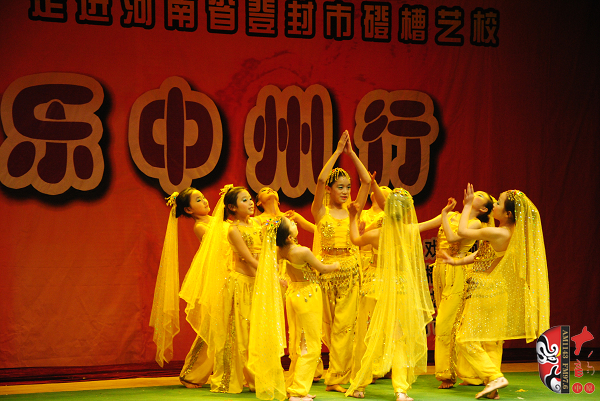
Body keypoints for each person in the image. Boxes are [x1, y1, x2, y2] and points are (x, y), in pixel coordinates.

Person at [439, 184, 550, 399]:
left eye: (498, 203)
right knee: (489, 339)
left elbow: (462, 232)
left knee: (464, 339)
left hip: (485, 290)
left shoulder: (498, 232)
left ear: (508, 214)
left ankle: (494, 376)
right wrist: (456, 261)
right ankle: (493, 386)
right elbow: (485, 254)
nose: (495, 206)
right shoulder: (511, 233)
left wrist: (468, 205)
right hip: (497, 291)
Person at [346, 188, 435, 401]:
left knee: (375, 337)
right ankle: (400, 390)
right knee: (398, 339)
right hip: (401, 289)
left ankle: (360, 385)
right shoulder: (411, 230)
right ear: (408, 211)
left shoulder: (377, 234)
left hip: (379, 288)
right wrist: (448, 213)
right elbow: (435, 221)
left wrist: (352, 217)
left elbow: (355, 240)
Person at [311, 130, 371, 392]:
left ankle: (337, 377)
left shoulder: (353, 210)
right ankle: (332, 372)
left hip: (349, 271)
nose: (346, 192)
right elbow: (321, 177)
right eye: (340, 187)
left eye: (348, 187)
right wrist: (337, 152)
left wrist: (352, 154)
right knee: (327, 327)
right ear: (329, 189)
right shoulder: (320, 211)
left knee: (344, 327)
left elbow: (366, 181)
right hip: (325, 273)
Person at [418, 191, 494, 389]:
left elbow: (452, 239)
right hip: (439, 270)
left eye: (480, 195)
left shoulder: (475, 224)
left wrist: (444, 214)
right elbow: (422, 226)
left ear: (483, 209)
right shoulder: (452, 215)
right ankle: (466, 373)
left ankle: (447, 374)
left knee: (446, 322)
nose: (475, 194)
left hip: (458, 271)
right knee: (448, 321)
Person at [149, 187, 211, 380]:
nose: (205, 201)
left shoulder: (217, 220)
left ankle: (238, 374)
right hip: (217, 278)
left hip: (233, 276)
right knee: (212, 327)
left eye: (203, 197)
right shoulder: (201, 226)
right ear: (189, 210)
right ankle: (192, 373)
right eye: (198, 200)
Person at [208, 186, 263, 394]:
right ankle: (235, 377)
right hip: (240, 285)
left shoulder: (257, 224)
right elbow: (248, 258)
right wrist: (270, 274)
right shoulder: (233, 230)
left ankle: (258, 377)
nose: (250, 203)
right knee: (240, 334)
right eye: (244, 200)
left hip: (257, 284)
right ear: (232, 207)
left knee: (257, 332)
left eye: (250, 199)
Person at [352, 181, 392, 387]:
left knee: (383, 317)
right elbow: (355, 237)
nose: (381, 194)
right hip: (364, 264)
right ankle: (367, 364)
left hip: (383, 267)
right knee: (366, 318)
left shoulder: (390, 218)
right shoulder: (365, 215)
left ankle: (383, 364)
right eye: (379, 191)